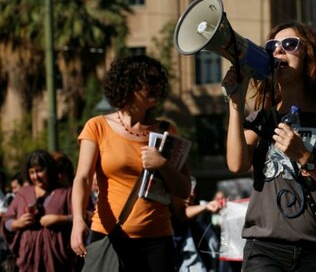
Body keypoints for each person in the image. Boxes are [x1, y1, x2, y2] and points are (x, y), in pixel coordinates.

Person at [222, 21, 316, 271]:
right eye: (272, 47)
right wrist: (236, 102)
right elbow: (236, 164)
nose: (278, 50)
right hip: (264, 248)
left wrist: (305, 156)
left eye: (289, 44)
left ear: (310, 54)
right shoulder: (261, 119)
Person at [70, 54, 191, 271]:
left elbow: (183, 189)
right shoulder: (97, 126)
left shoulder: (166, 131)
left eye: (159, 81)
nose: (157, 86)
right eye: (150, 80)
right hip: (110, 236)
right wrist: (78, 220)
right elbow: (82, 178)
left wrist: (161, 164)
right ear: (129, 82)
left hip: (157, 242)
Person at [1, 150, 75, 272]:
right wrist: (17, 223)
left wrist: (60, 219)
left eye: (40, 171)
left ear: (49, 169)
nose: (36, 176)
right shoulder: (23, 194)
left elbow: (83, 217)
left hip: (57, 261)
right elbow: (7, 221)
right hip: (27, 261)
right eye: (32, 172)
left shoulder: (65, 193)